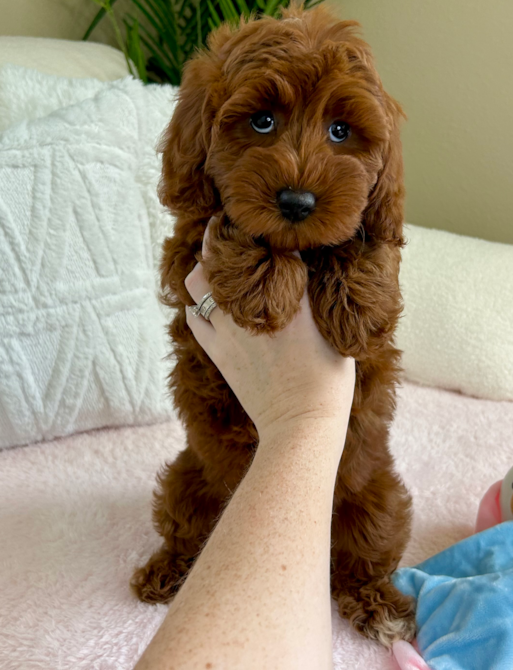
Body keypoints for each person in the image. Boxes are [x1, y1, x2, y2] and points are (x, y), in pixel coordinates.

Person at [135, 219, 356, 670]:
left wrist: (304, 413)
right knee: (192, 493)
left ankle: (362, 585)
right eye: (259, 139)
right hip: (219, 462)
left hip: (346, 476)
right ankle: (185, 553)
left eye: (337, 140)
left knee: (371, 516)